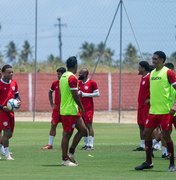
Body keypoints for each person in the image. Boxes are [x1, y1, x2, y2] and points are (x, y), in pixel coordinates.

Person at [135, 51, 176, 172]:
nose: (153, 61)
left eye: (156, 59)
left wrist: (175, 105)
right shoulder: (152, 73)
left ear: (162, 60)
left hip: (165, 112)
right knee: (146, 134)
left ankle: (172, 164)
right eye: (152, 59)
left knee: (166, 136)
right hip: (153, 111)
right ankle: (148, 162)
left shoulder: (168, 72)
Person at [59, 56, 87, 166]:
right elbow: (75, 95)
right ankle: (65, 159)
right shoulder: (72, 78)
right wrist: (82, 107)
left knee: (83, 130)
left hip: (72, 110)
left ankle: (71, 153)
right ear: (76, 66)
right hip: (69, 111)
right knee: (67, 134)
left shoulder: (63, 76)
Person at [0, 64, 21, 160]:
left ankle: (2, 147)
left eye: (12, 72)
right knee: (6, 131)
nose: (11, 74)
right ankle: (7, 154)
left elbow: (16, 95)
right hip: (2, 112)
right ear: (3, 73)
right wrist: (2, 107)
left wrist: (18, 102)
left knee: (9, 134)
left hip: (11, 112)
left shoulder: (14, 83)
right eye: (9, 72)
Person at [42, 67, 66, 150]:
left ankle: (64, 144)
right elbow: (50, 92)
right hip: (56, 109)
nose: (58, 75)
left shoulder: (67, 83)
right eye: (57, 74)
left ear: (63, 74)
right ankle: (50, 144)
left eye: (59, 74)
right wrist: (52, 103)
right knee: (53, 125)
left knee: (65, 127)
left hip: (65, 109)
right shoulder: (55, 83)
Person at [78, 68, 100, 150]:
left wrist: (84, 94)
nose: (79, 75)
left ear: (86, 74)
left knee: (89, 125)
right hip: (80, 108)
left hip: (88, 108)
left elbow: (97, 94)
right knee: (82, 126)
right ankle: (86, 143)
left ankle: (91, 144)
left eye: (81, 74)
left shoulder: (92, 83)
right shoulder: (78, 83)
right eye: (79, 73)